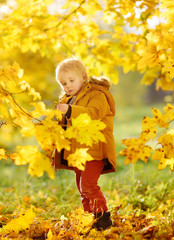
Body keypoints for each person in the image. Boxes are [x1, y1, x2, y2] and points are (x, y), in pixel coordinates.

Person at [53, 58, 116, 231]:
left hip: (95, 149)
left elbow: (94, 114)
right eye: (64, 83)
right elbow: (64, 130)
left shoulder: (98, 95)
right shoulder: (68, 100)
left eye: (71, 81)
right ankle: (90, 219)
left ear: (84, 77)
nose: (68, 86)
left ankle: (103, 219)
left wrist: (71, 111)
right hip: (79, 152)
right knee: (82, 188)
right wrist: (57, 152)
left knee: (88, 185)